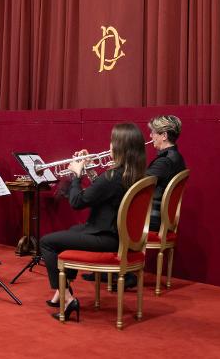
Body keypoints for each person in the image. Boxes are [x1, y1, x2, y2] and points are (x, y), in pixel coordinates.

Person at [40, 123, 147, 322]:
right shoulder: (133, 174)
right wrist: (89, 168)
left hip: (107, 239)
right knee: (73, 230)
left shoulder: (112, 177)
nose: (109, 147)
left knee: (47, 242)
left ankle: (67, 298)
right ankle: (62, 291)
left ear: (120, 147)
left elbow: (77, 202)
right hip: (118, 235)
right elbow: (101, 193)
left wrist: (76, 175)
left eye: (112, 142)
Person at [82, 115, 186, 288]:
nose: (151, 136)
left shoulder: (164, 162)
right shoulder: (174, 157)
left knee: (105, 216)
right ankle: (106, 269)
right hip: (158, 216)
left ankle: (121, 271)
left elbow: (132, 188)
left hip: (151, 219)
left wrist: (115, 168)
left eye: (153, 133)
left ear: (164, 135)